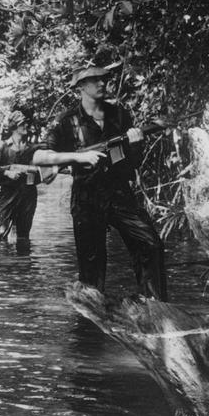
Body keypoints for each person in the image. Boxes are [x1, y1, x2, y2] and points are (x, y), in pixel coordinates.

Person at [32, 63, 167, 298]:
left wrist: (136, 144)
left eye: (104, 79)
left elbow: (130, 163)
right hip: (87, 198)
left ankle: (154, 307)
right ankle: (89, 327)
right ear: (81, 87)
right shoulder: (67, 121)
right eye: (95, 80)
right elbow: (39, 157)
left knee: (150, 244)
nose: (103, 83)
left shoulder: (119, 114)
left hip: (119, 193)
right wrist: (78, 156)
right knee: (91, 271)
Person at [0, 110, 39, 250]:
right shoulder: (2, 146)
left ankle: (24, 267)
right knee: (1, 234)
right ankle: (4, 268)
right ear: (14, 127)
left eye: (26, 123)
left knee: (24, 236)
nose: (26, 126)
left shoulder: (32, 148)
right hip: (8, 194)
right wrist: (6, 172)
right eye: (22, 124)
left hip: (28, 194)